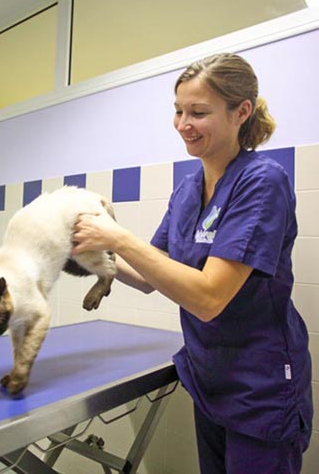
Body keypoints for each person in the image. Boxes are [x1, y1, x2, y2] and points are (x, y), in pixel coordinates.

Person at [71, 53, 313, 474]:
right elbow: (152, 274)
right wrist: (94, 255)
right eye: (179, 110)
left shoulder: (262, 181)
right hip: (210, 380)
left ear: (242, 112)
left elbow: (208, 297)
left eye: (198, 112)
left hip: (260, 387)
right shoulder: (187, 189)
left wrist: (118, 237)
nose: (183, 123)